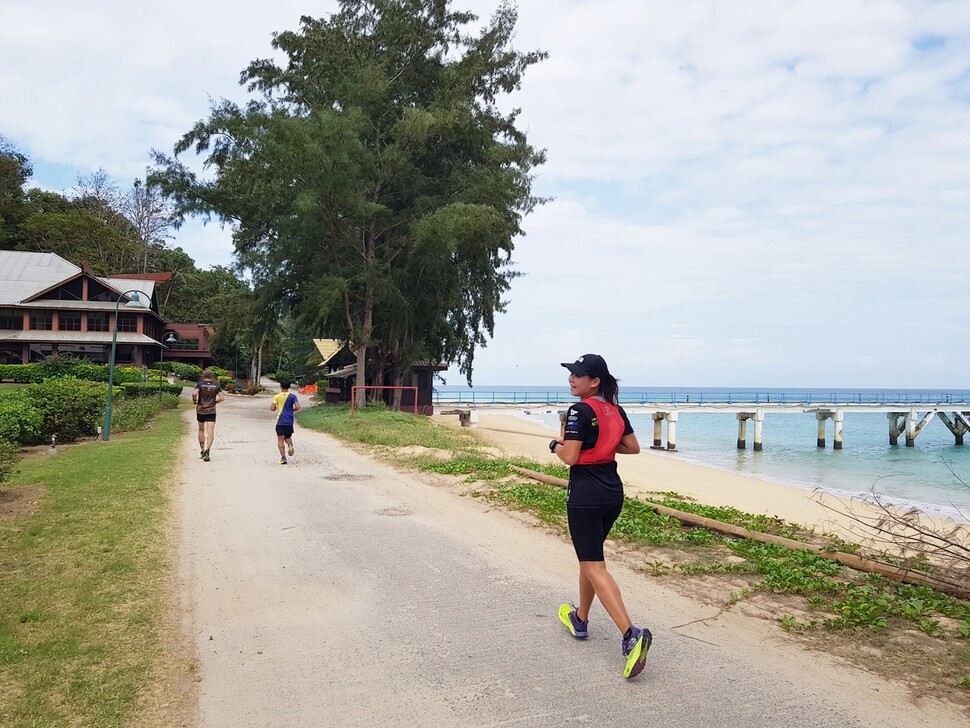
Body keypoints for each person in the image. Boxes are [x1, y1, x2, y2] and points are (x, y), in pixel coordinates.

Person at [551, 353, 652, 679]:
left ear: (595, 381)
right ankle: (580, 619)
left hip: (586, 496)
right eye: (571, 374)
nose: (572, 379)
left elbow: (570, 457)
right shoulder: (616, 409)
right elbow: (633, 447)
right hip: (612, 493)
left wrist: (555, 443)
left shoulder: (579, 411)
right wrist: (602, 446)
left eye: (578, 375)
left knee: (594, 564)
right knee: (590, 559)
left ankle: (630, 634)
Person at [192, 369, 225, 462]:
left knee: (201, 430)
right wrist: (215, 402)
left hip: (201, 410)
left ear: (203, 376)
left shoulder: (199, 384)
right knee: (210, 432)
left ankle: (202, 449)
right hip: (211, 411)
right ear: (212, 376)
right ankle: (208, 450)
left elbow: (194, 393)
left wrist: (194, 400)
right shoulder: (216, 385)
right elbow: (222, 398)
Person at [270, 380, 300, 465]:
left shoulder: (277, 396)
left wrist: (276, 408)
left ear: (281, 387)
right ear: (289, 387)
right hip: (289, 422)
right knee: (288, 437)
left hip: (280, 422)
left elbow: (272, 408)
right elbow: (298, 407)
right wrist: (292, 410)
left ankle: (283, 458)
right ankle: (289, 444)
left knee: (280, 440)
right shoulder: (293, 396)